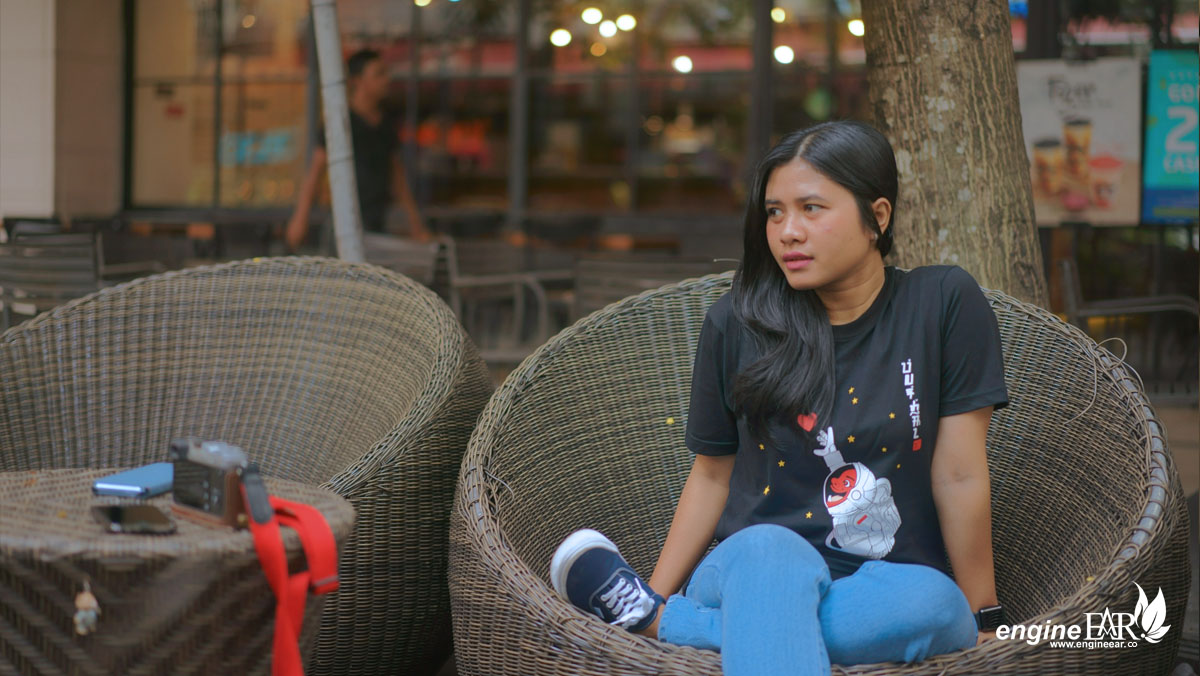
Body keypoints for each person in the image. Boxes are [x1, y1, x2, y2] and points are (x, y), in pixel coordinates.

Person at [549, 121, 1009, 676]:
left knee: (937, 605)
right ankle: (683, 613)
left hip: (884, 587)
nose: (788, 232)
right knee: (774, 550)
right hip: (749, 569)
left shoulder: (941, 303)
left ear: (878, 217)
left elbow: (959, 473)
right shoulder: (737, 324)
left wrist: (985, 615)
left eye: (811, 208)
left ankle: (667, 624)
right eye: (774, 212)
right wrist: (659, 586)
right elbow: (711, 476)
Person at [286, 48, 431, 252]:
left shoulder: (386, 124)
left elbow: (397, 177)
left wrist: (416, 225)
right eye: (379, 74)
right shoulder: (341, 121)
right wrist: (300, 218)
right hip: (343, 225)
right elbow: (316, 171)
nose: (386, 80)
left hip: (377, 224)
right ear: (357, 81)